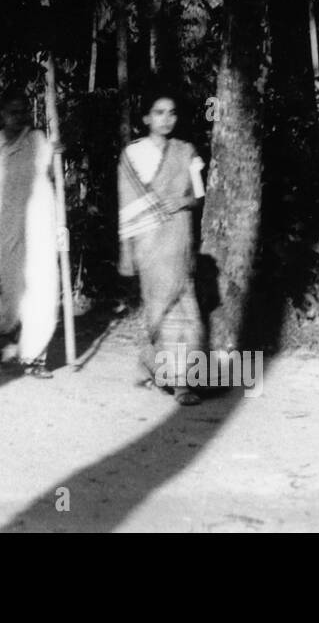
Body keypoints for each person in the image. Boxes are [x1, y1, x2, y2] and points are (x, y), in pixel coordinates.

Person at [118, 92, 207, 405]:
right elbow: (126, 208)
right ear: (146, 118)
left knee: (187, 311)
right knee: (161, 311)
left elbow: (199, 197)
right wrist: (125, 252)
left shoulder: (186, 152)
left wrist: (182, 201)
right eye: (158, 112)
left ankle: (171, 375)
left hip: (179, 240)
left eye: (171, 112)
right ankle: (170, 377)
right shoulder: (131, 156)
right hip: (148, 246)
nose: (166, 119)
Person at [0, 90, 60, 379]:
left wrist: (58, 151)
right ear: (1, 115)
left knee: (42, 287)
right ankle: (3, 332)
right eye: (11, 112)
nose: (18, 117)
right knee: (13, 292)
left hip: (39, 224)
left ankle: (36, 356)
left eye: (23, 111)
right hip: (5, 226)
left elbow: (50, 182)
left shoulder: (39, 141)